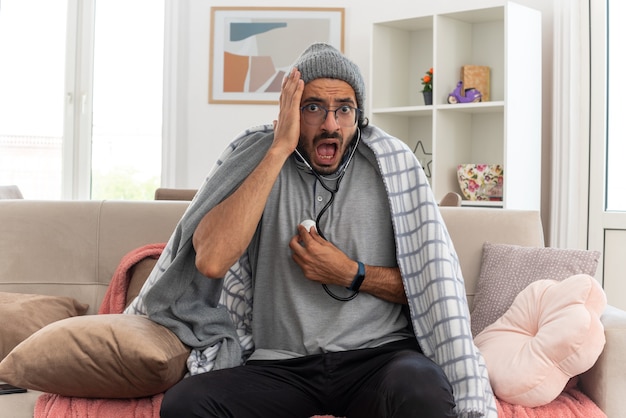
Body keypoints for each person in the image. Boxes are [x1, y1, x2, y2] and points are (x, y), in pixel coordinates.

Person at [127, 43, 497, 418]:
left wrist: (352, 274)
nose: (330, 124)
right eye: (313, 107)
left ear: (359, 116)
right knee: (186, 404)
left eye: (344, 110)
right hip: (279, 367)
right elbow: (211, 260)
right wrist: (278, 149)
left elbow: (428, 287)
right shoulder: (259, 161)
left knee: (423, 389)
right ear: (291, 110)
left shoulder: (390, 169)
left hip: (378, 360)